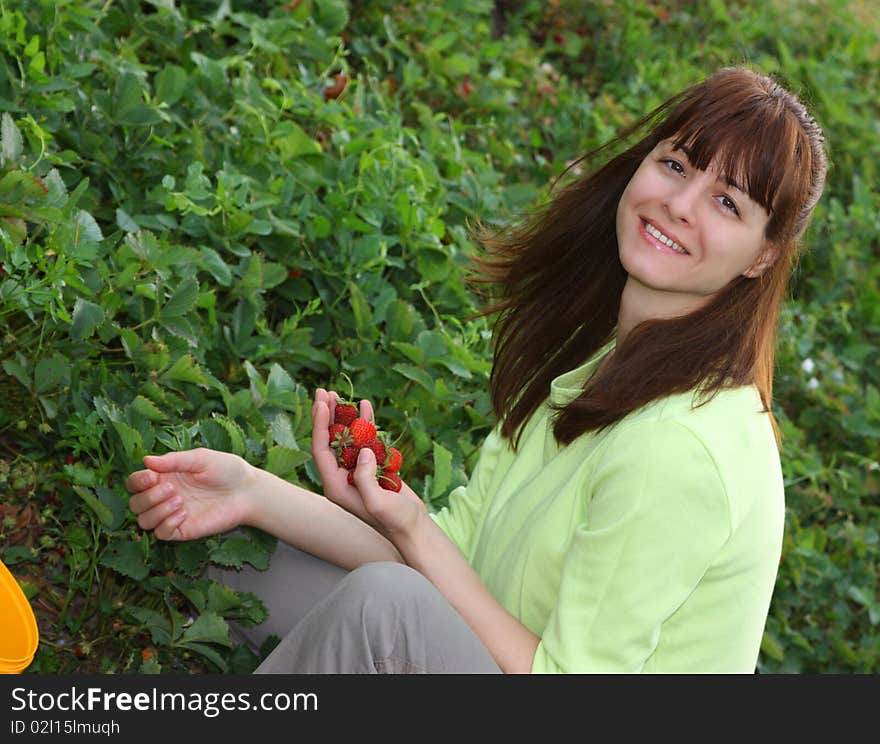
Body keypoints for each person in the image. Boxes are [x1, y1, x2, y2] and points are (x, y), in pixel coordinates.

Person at [126, 66, 827, 674]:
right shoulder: (609, 368)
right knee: (239, 546)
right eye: (676, 165)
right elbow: (448, 561)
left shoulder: (685, 447)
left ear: (763, 257)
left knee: (385, 610)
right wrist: (251, 493)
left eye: (727, 202)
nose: (678, 204)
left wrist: (413, 532)